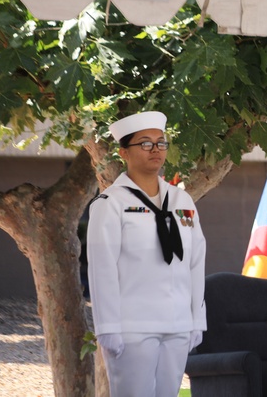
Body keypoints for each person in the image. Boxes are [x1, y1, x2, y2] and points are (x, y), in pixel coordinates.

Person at [87, 111, 207, 397]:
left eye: (161, 143)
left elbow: (196, 261)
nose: (155, 150)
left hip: (178, 323)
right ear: (123, 152)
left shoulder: (182, 200)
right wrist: (107, 327)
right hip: (132, 325)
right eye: (145, 143)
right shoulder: (110, 203)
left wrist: (196, 319)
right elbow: (102, 269)